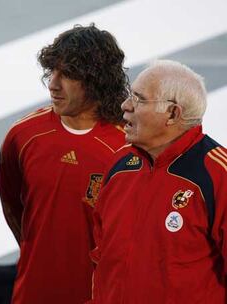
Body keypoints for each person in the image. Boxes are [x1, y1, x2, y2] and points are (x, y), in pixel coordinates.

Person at [0, 24, 128, 304]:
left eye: (67, 74)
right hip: (33, 292)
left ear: (97, 80)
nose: (53, 84)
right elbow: (14, 209)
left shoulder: (129, 147)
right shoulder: (23, 135)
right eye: (51, 71)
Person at [90, 60, 227, 303]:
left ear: (173, 113)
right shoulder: (119, 165)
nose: (125, 105)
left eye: (139, 99)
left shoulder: (219, 175)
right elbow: (102, 257)